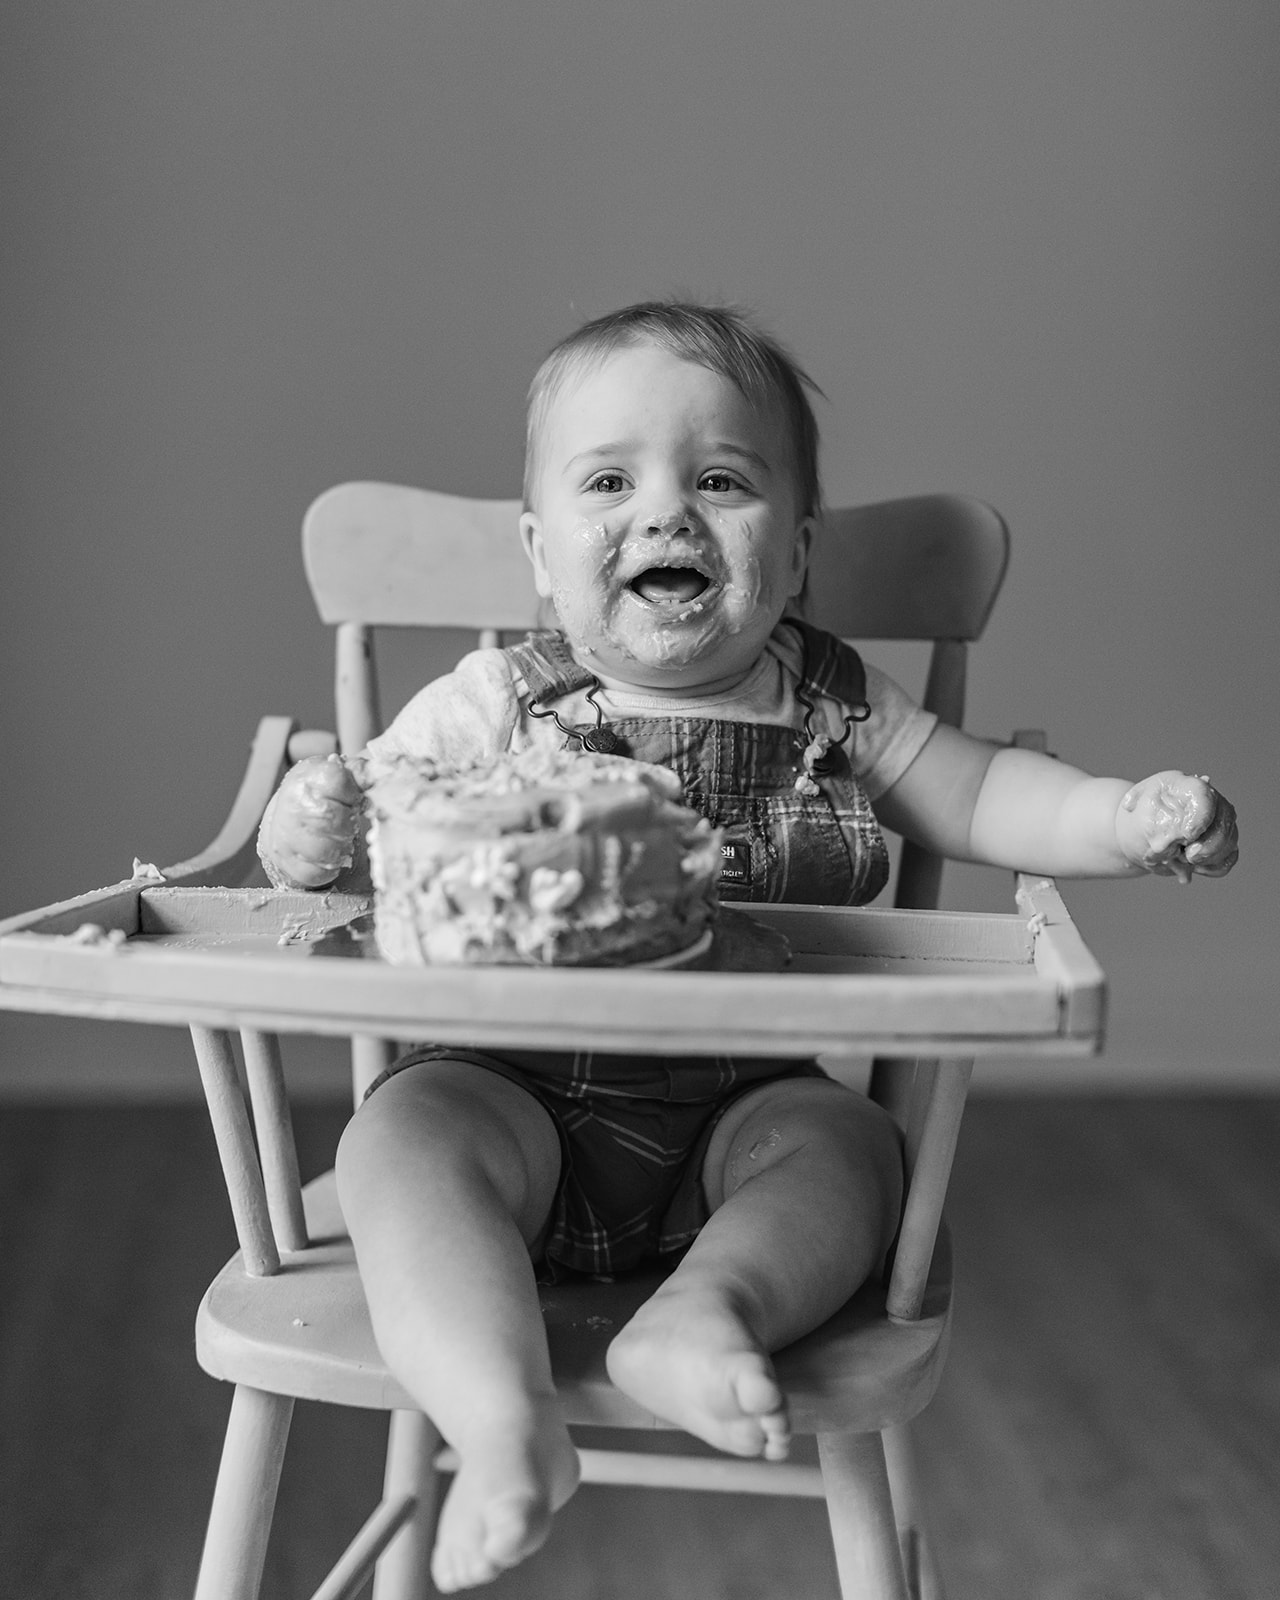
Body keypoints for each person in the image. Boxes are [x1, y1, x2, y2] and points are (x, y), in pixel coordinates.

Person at [257, 302, 1239, 1591]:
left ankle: (705, 1311)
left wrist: (1123, 818)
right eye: (611, 481)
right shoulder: (494, 701)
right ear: (542, 551)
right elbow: (358, 836)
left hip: (742, 1113)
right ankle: (499, 1420)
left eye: (719, 481)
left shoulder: (833, 701)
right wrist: (309, 822)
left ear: (797, 553)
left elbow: (989, 796)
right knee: (399, 1140)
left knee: (856, 1153)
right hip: (507, 1095)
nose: (666, 512)